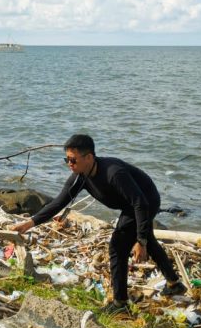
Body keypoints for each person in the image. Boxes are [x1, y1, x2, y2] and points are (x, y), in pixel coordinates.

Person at [11, 134, 187, 313]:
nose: (69, 164)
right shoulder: (80, 176)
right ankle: (174, 284)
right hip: (132, 205)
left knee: (117, 247)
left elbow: (139, 203)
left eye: (73, 160)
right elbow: (58, 203)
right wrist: (29, 223)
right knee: (147, 239)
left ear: (89, 157)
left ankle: (120, 303)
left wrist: (140, 241)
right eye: (67, 160)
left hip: (145, 202)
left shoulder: (113, 173)